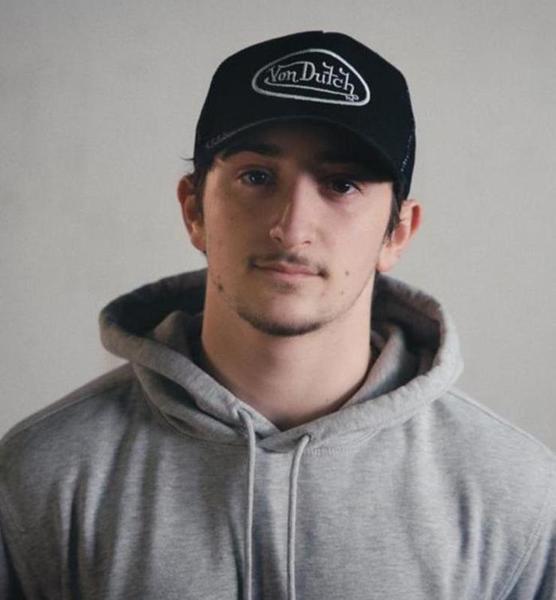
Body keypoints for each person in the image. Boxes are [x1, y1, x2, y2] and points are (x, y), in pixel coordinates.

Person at [0, 30, 554, 600]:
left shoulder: (515, 493)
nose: (291, 228)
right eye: (257, 178)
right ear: (194, 210)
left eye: (342, 184)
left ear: (398, 232)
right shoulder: (43, 474)